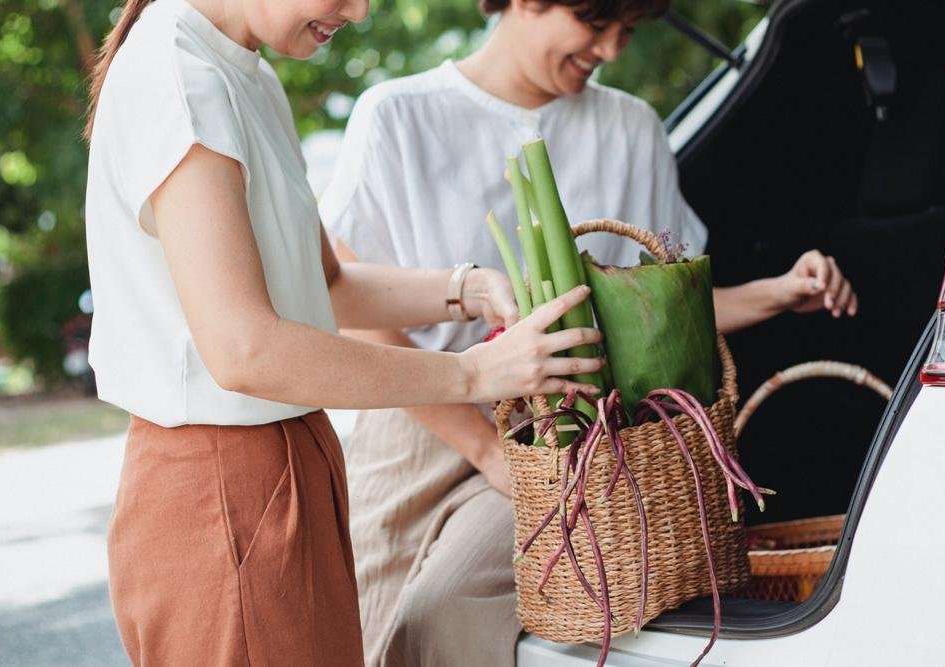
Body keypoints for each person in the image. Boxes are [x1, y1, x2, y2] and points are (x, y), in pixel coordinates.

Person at [319, 0, 859, 664]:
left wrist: (781, 292)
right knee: (368, 636)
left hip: (567, 439)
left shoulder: (629, 128)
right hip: (416, 423)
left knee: (439, 619)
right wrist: (484, 449)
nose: (610, 51)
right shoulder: (397, 117)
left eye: (627, 32)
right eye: (595, 24)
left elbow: (659, 312)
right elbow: (354, 310)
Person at [82, 0, 605, 664]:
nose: (357, 12)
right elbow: (245, 349)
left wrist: (468, 288)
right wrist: (475, 374)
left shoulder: (245, 73)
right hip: (221, 489)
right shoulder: (178, 79)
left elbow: (323, 284)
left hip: (288, 466)